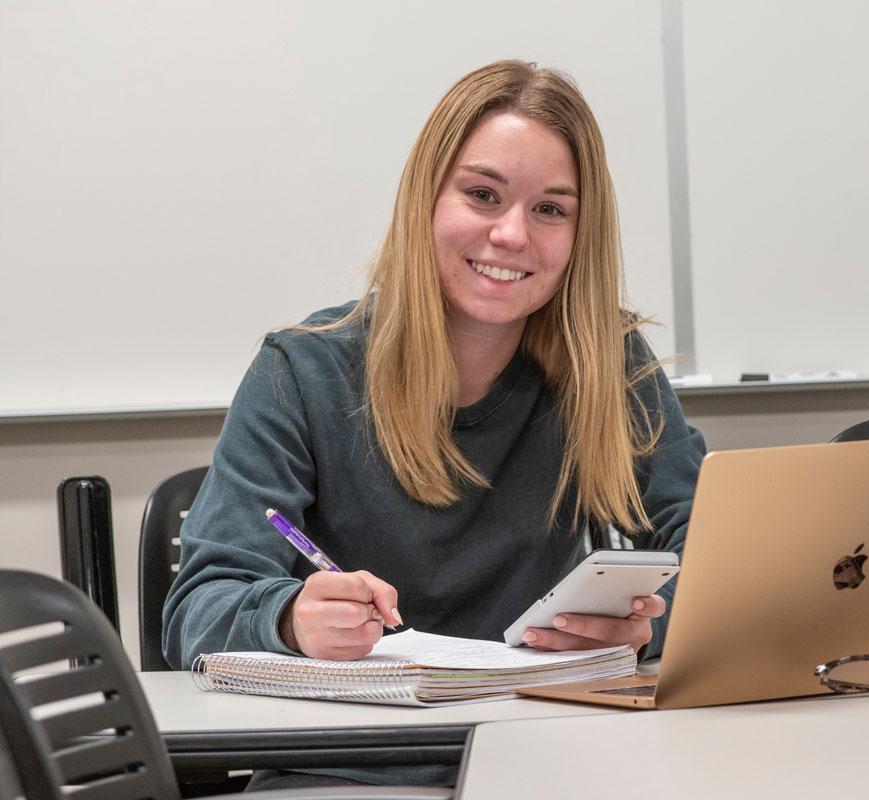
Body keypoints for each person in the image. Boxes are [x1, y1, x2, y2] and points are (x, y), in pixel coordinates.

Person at [163, 59, 705, 789]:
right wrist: (289, 616)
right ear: (427, 199)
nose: (512, 234)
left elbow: (714, 553)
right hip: (345, 768)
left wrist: (648, 626)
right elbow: (196, 609)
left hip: (545, 757)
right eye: (483, 195)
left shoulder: (606, 361)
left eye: (551, 209)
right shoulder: (303, 371)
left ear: (582, 233)